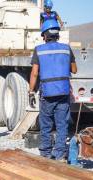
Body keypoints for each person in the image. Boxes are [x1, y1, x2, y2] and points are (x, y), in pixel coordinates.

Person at [29, 19, 77, 161]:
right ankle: (61, 154)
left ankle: (45, 154)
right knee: (62, 124)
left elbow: (34, 73)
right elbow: (74, 70)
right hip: (63, 92)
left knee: (46, 124)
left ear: (45, 35)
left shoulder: (39, 50)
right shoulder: (66, 48)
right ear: (57, 34)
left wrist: (31, 92)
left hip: (47, 93)